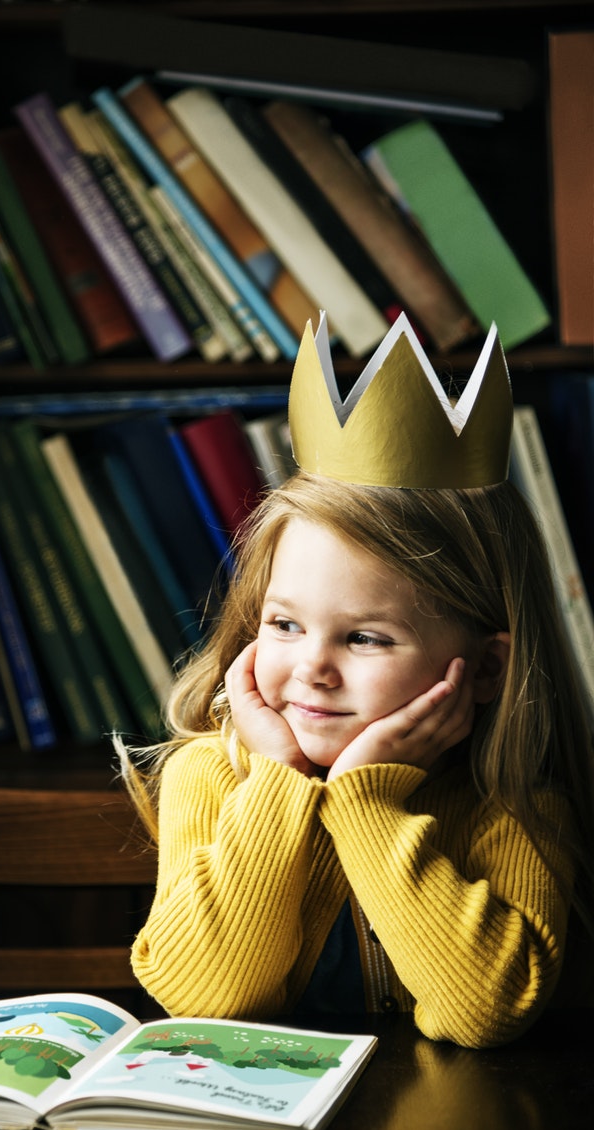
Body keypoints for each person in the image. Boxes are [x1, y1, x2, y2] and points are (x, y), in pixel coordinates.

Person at [118, 313, 594, 1049]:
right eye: (283, 625)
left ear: (489, 667)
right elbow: (204, 995)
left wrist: (366, 798)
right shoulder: (211, 776)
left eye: (366, 637)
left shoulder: (515, 806)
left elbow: (487, 1011)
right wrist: (276, 778)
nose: (312, 666)